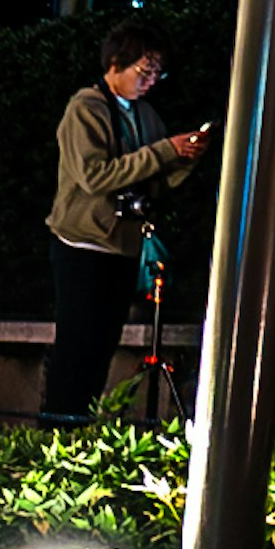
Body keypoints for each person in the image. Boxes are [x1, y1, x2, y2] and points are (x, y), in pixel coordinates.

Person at [47, 29, 206, 422]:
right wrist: (164, 150)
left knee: (102, 346)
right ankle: (56, 428)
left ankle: (80, 427)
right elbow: (94, 176)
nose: (151, 81)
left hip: (124, 246)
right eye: (145, 70)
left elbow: (156, 178)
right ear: (115, 64)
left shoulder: (145, 115)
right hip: (82, 244)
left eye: (157, 74)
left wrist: (184, 157)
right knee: (76, 345)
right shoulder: (86, 108)